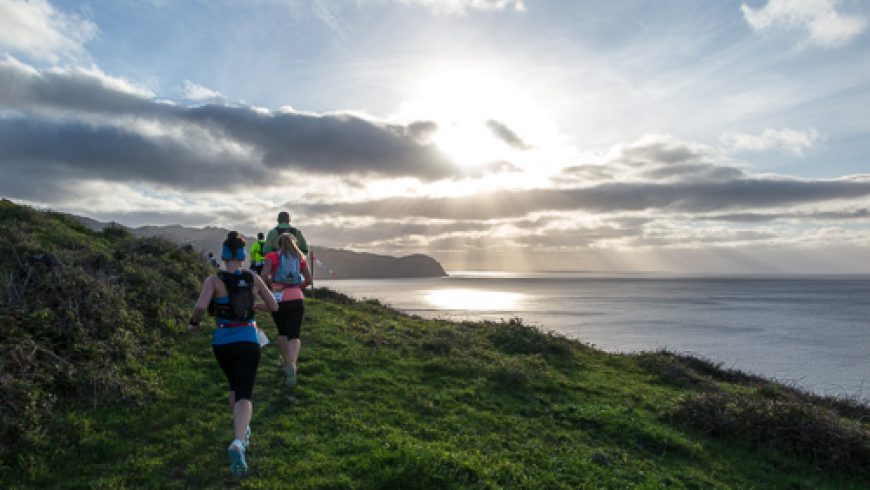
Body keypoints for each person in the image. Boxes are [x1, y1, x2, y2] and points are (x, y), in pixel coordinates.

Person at [188, 231, 278, 478]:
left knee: (233, 385)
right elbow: (274, 306)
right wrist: (254, 306)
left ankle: (240, 430)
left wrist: (194, 324)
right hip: (248, 339)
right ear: (242, 256)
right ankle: (239, 442)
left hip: (222, 342)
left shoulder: (213, 281)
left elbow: (199, 307)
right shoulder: (253, 279)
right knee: (245, 394)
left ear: (224, 255)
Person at [261, 233, 312, 388]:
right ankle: (293, 364)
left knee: (282, 332)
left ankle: (286, 363)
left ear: (279, 243)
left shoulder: (272, 256)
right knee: (294, 334)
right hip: (296, 298)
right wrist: (296, 287)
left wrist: (272, 286)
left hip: (279, 298)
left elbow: (263, 275)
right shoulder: (300, 258)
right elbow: (309, 280)